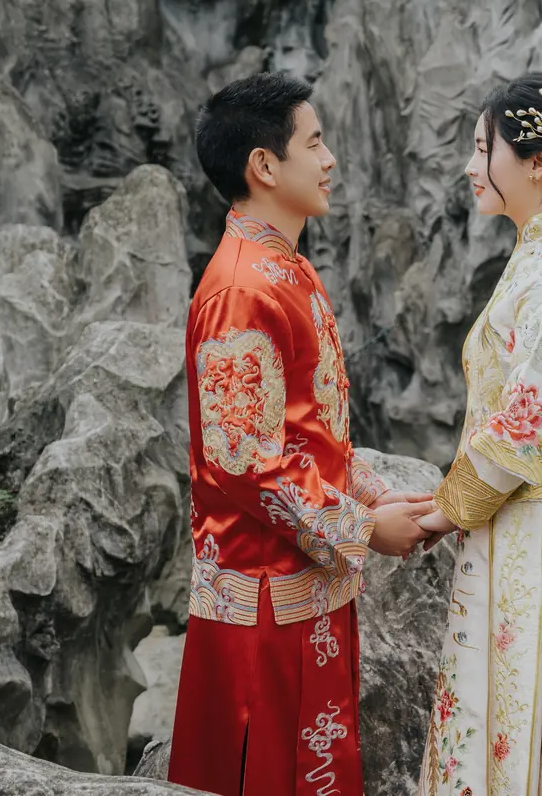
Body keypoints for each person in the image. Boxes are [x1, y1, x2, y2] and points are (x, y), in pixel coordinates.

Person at [168, 71, 436, 796]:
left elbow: (308, 432)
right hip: (262, 605)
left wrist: (374, 494)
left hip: (303, 587)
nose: (330, 159)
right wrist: (364, 528)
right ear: (264, 165)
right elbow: (245, 464)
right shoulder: (240, 289)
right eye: (314, 143)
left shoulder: (287, 268)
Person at [415, 74, 542, 796]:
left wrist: (443, 512)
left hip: (533, 532)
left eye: (484, 149)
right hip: (516, 518)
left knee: (520, 713)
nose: (470, 166)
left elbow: (524, 426)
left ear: (537, 163)